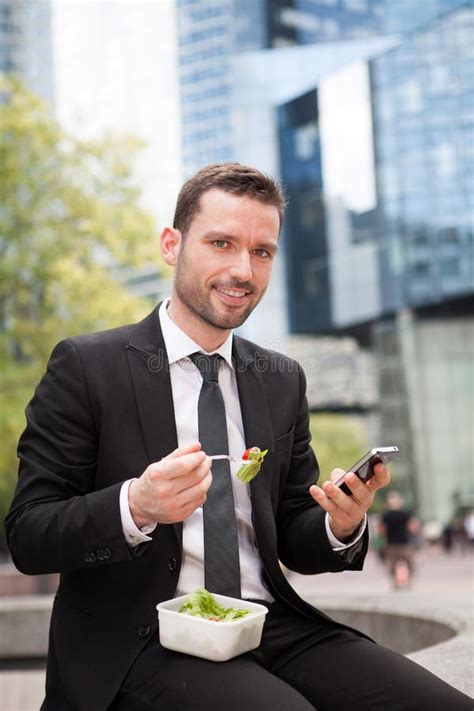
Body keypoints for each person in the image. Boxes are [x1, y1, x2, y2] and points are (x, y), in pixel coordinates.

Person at [5, 163, 471, 710]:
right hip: (144, 640)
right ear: (171, 245)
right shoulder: (87, 366)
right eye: (221, 243)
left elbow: (294, 528)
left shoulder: (280, 378)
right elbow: (29, 534)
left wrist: (339, 525)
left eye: (261, 251)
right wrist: (137, 505)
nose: (242, 270)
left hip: (268, 623)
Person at [379, 490, 419, 588]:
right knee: (409, 562)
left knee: (393, 563)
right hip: (402, 542)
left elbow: (381, 529)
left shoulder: (386, 514)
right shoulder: (404, 513)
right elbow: (413, 526)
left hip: (393, 543)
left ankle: (396, 583)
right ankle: (406, 581)